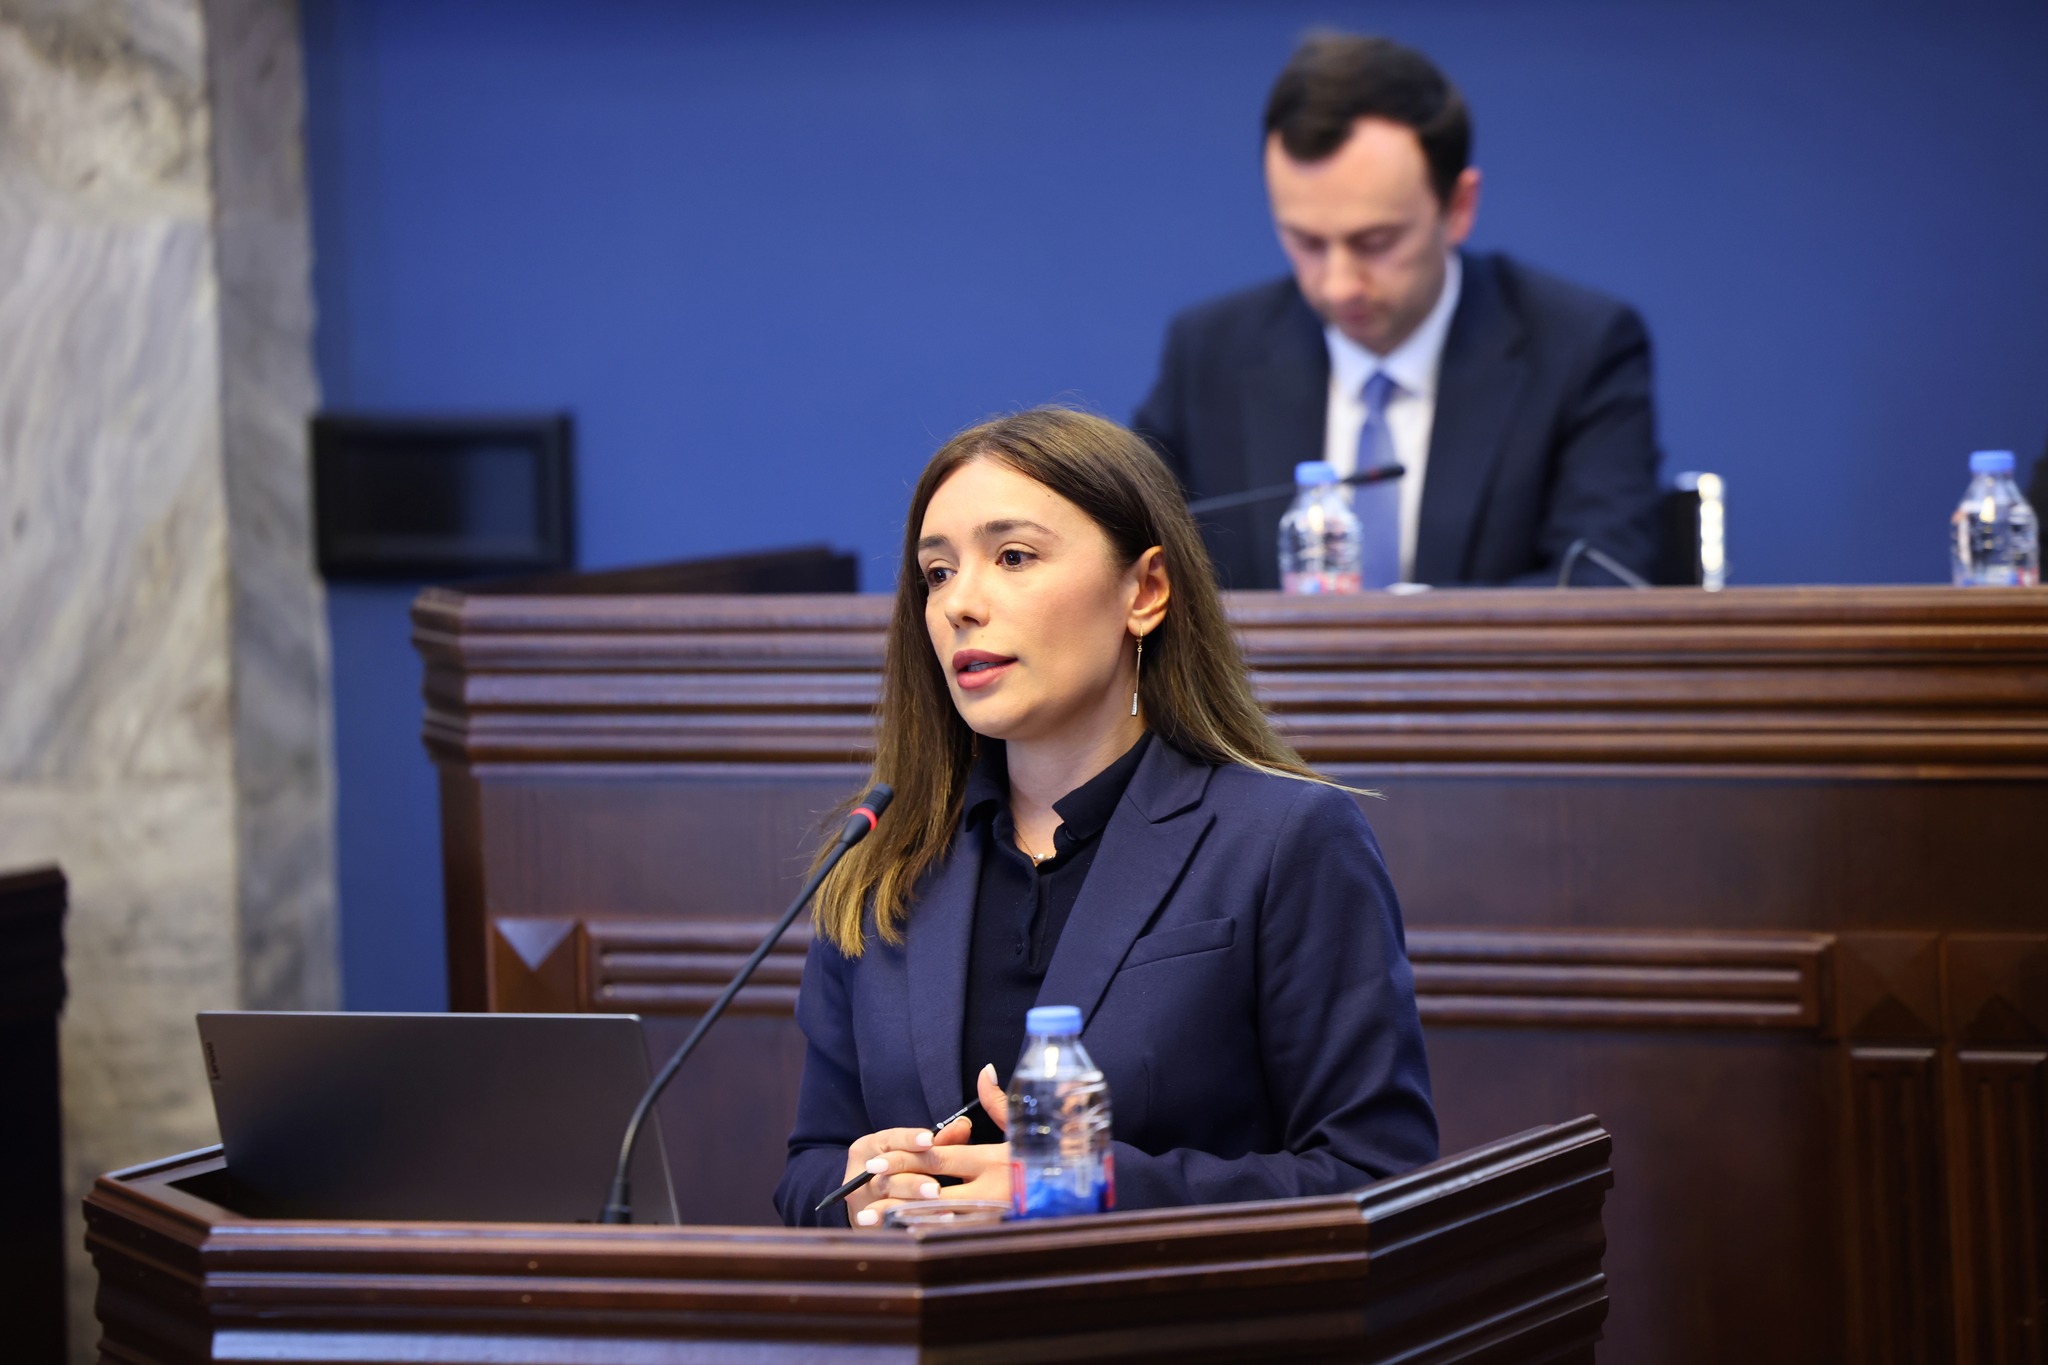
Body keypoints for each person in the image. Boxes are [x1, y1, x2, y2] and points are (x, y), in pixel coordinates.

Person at [773, 407, 1436, 1228]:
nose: (960, 604)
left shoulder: (1285, 838)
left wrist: (1092, 1191)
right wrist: (863, 1189)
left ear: (1145, 591)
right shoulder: (882, 857)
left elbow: (1379, 1177)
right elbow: (810, 1166)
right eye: (936, 572)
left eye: (1013, 557)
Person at [1134, 32, 1664, 590]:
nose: (1339, 285)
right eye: (1306, 242)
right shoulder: (1210, 353)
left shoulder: (1580, 348)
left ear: (1458, 207)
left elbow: (1601, 583)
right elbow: (1132, 562)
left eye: (1376, 242)